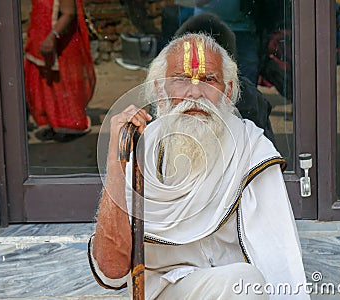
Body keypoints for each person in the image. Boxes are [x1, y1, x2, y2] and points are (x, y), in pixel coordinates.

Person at [89, 33, 309, 299]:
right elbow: (111, 272)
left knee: (244, 282)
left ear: (227, 92)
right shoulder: (141, 148)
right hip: (167, 289)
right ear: (160, 90)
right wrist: (117, 154)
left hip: (238, 288)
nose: (195, 92)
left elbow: (276, 255)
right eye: (181, 79)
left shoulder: (251, 148)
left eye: (208, 80)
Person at [174, 12, 277, 147]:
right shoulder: (167, 92)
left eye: (208, 79)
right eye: (184, 78)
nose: (195, 92)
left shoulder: (247, 98)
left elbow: (265, 153)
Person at [24, 0, 96, 141]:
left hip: (59, 43)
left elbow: (68, 13)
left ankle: (67, 125)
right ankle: (51, 123)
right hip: (40, 40)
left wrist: (52, 36)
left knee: (62, 83)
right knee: (44, 84)